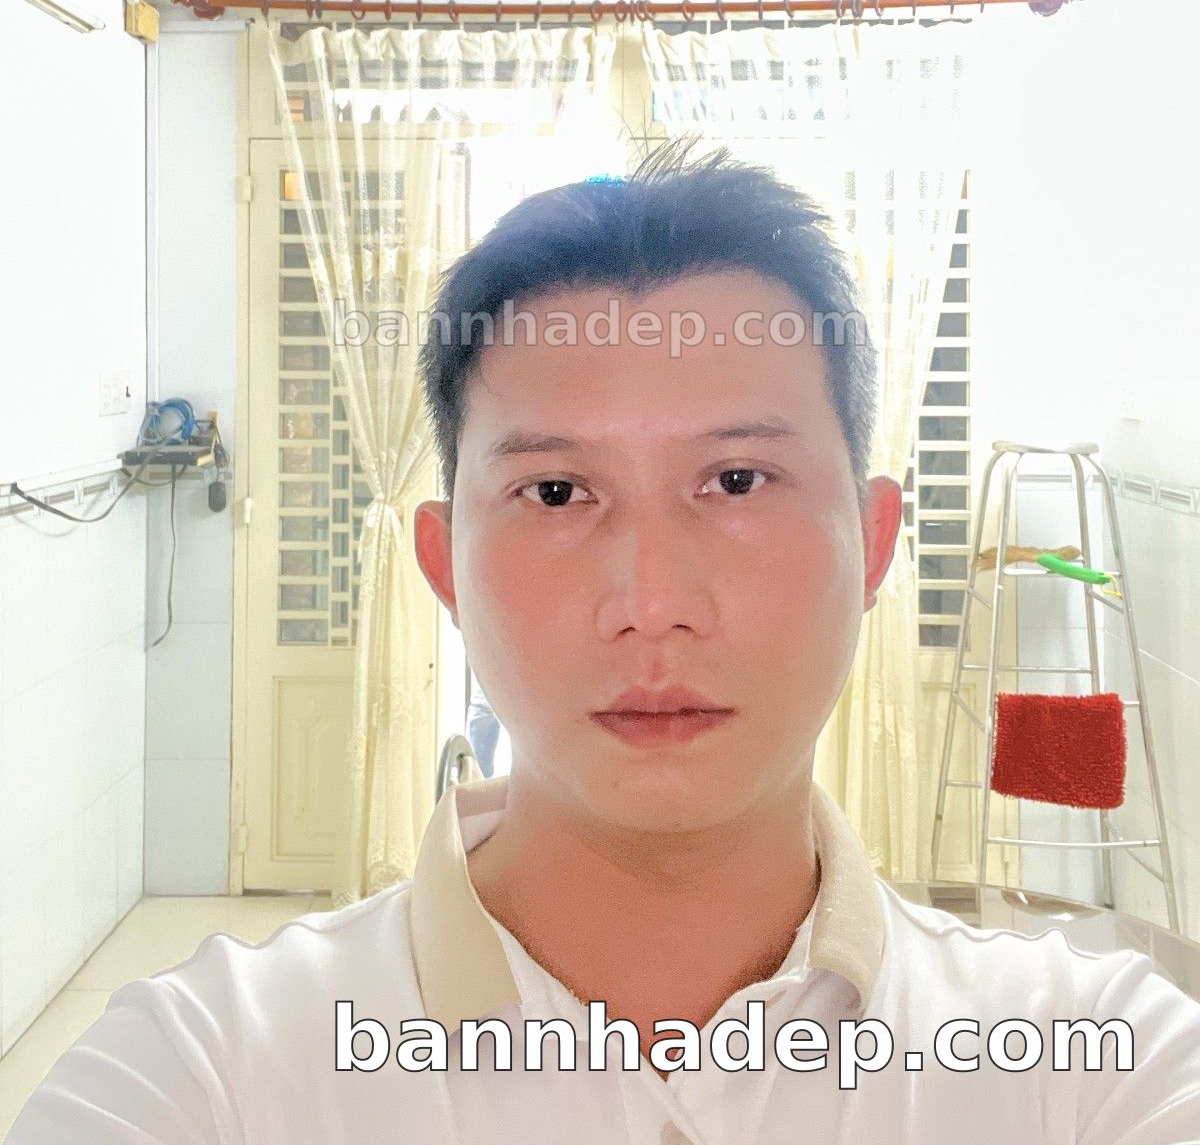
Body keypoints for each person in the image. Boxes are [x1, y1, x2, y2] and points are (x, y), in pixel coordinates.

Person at [10, 139, 1200, 1143]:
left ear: (875, 541)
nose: (652, 602)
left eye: (738, 479)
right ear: (445, 566)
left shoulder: (1094, 1064)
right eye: (556, 493)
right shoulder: (209, 1067)